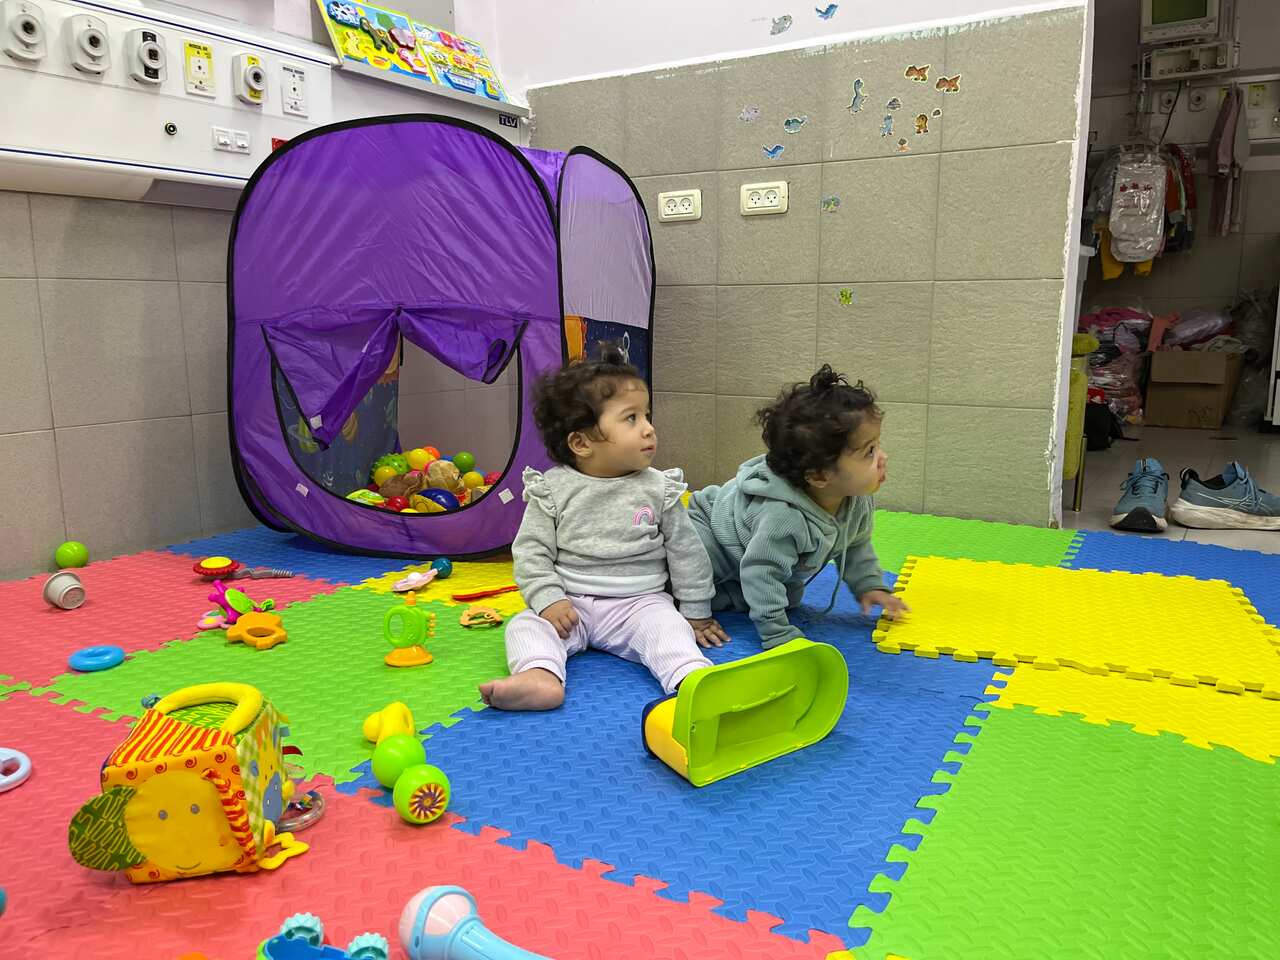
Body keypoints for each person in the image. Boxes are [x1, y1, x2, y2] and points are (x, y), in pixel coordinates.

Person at [479, 347, 729, 711]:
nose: (649, 428)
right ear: (581, 443)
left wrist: (695, 610)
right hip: (570, 603)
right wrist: (550, 599)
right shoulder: (552, 489)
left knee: (669, 629)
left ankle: (690, 680)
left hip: (639, 604)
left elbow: (686, 552)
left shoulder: (659, 487)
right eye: (630, 418)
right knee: (525, 626)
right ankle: (540, 675)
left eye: (646, 415)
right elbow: (532, 551)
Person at [688, 365, 907, 649]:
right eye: (869, 452)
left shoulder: (857, 500)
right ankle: (673, 591)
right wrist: (777, 633)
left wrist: (869, 585)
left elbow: (855, 545)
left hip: (748, 560)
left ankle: (725, 592)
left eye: (877, 446)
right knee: (699, 573)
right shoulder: (784, 518)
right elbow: (762, 571)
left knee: (788, 597)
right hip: (707, 535)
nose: (883, 457)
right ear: (819, 476)